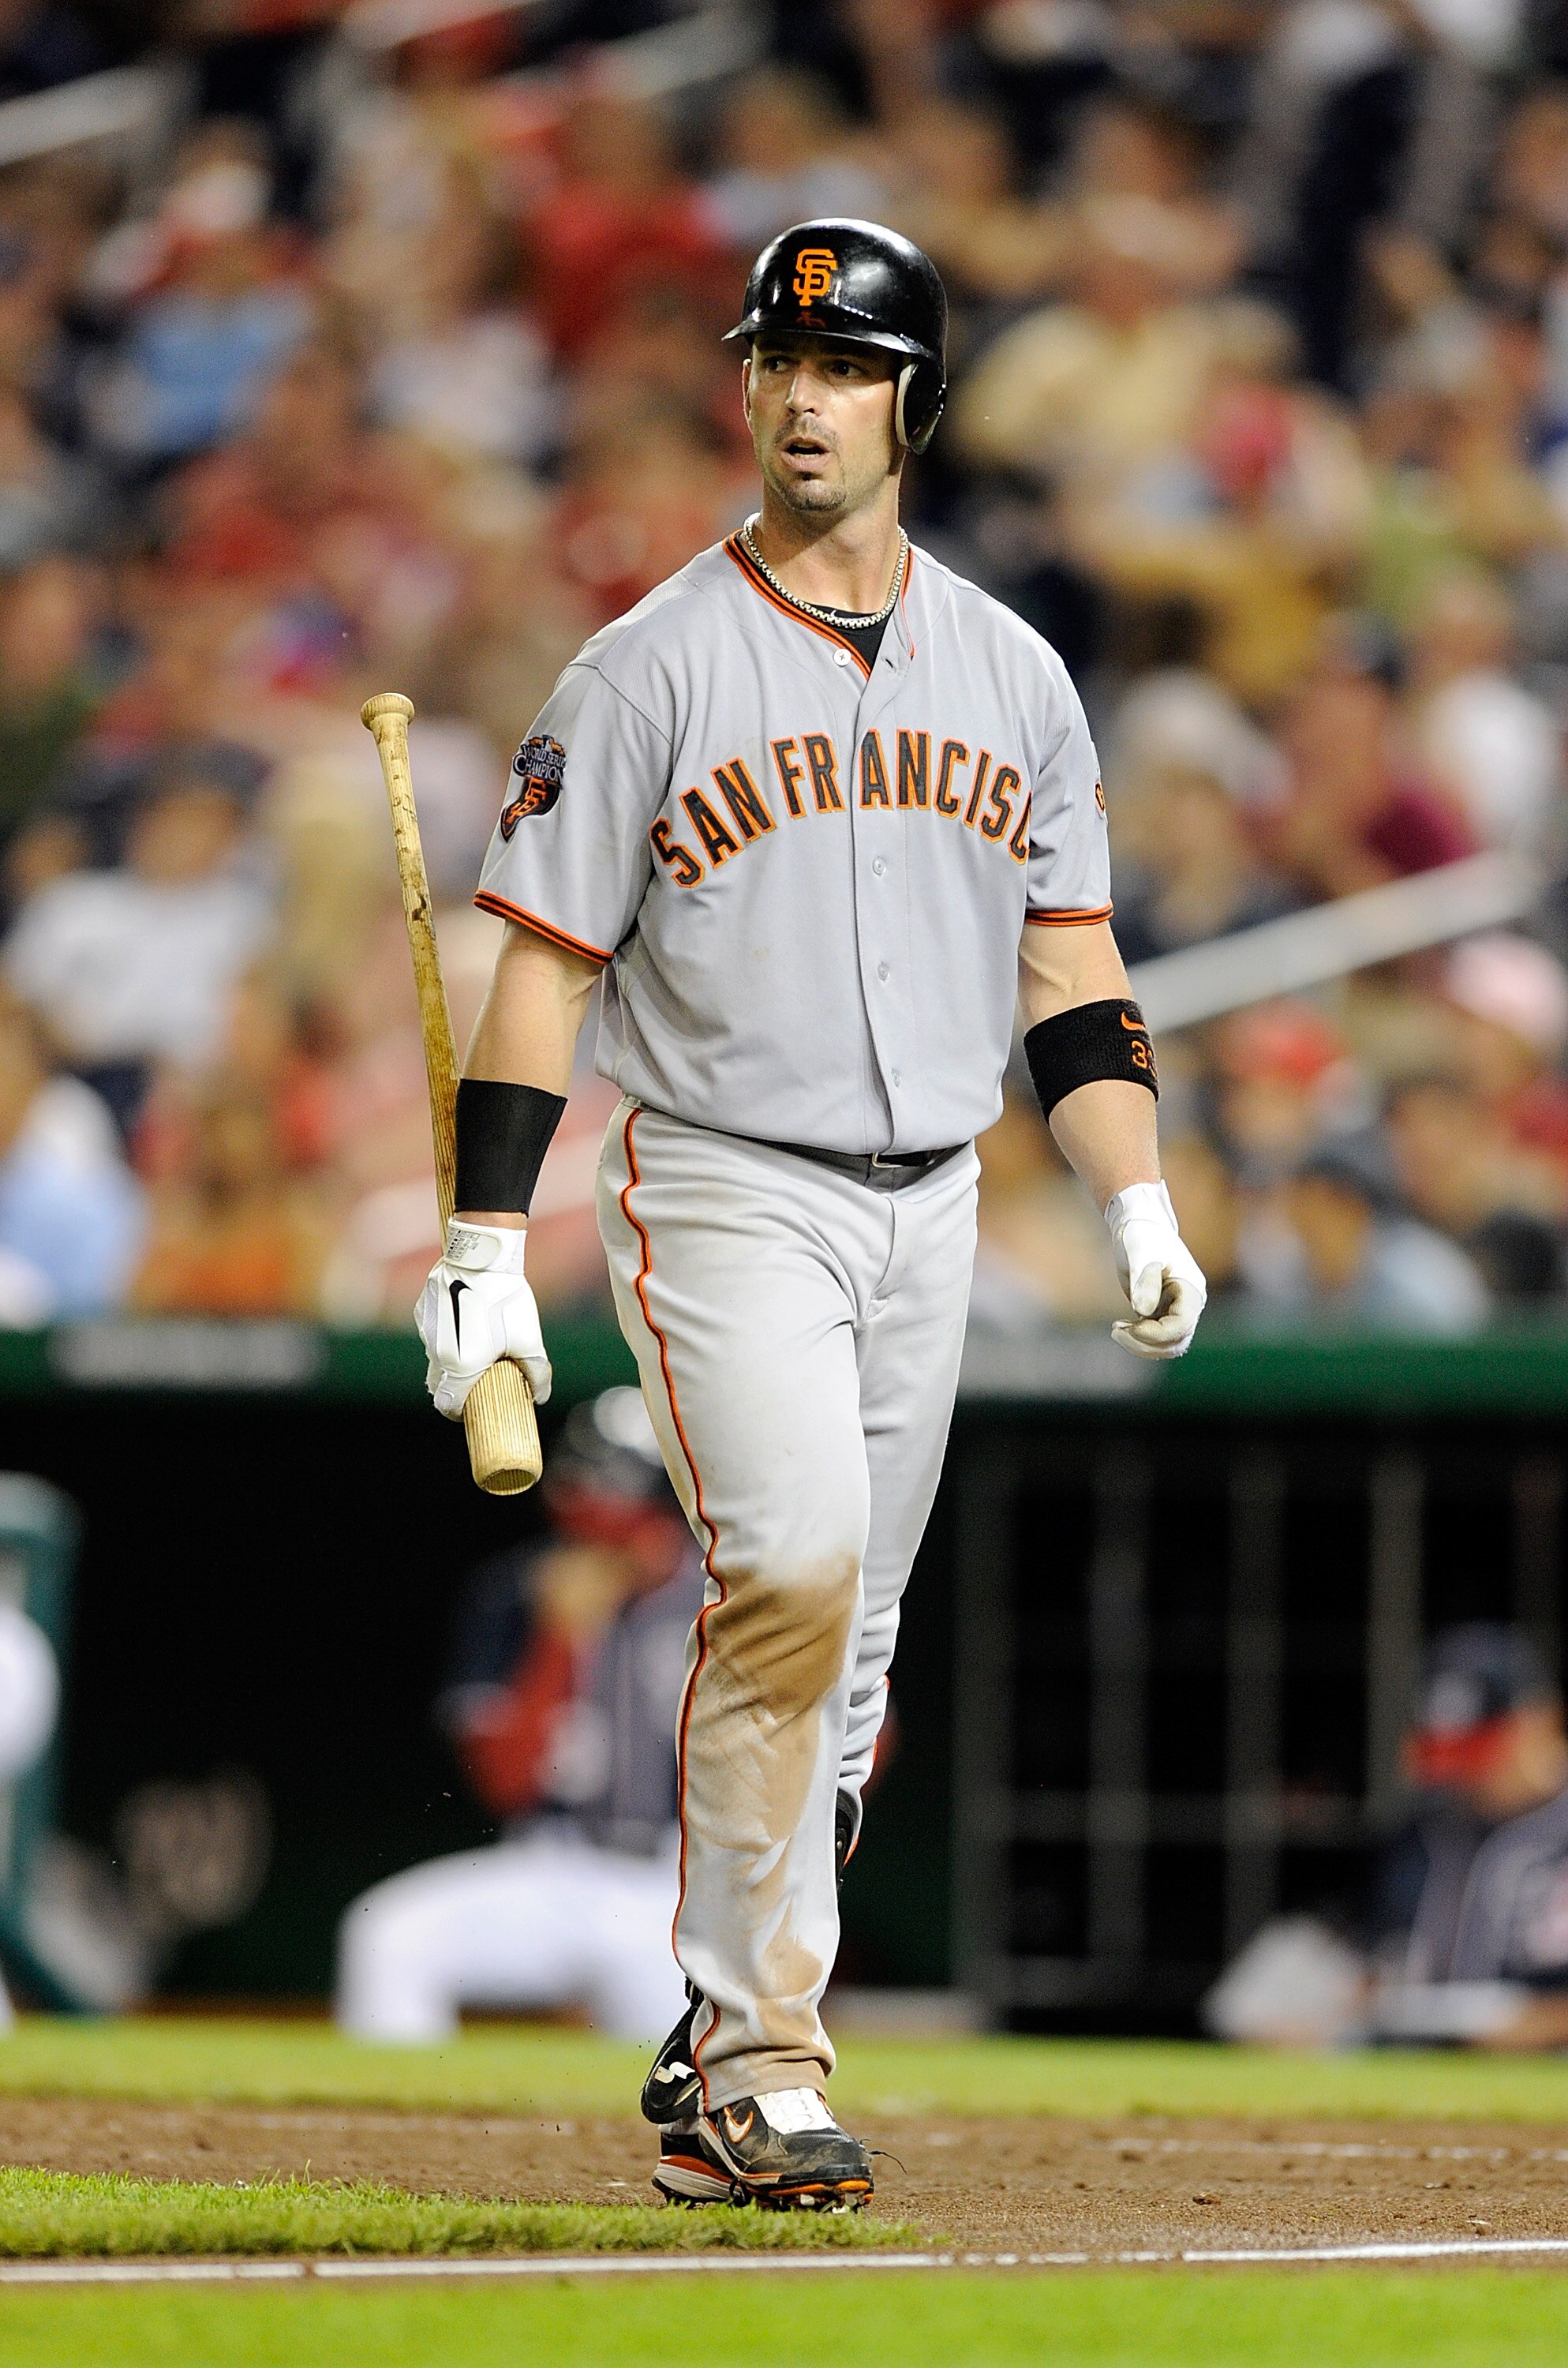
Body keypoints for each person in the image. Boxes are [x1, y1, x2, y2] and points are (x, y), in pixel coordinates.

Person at [414, 219, 1207, 2209]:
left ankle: (715, 2040)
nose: (803, 396)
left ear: (913, 404)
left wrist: (1133, 1194)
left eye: (848, 365)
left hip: (932, 1198)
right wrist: (484, 1245)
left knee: (851, 1659)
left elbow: (1070, 968)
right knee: (786, 1567)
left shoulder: (1013, 671)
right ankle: (759, 2051)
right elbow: (543, 969)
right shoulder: (647, 663)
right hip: (723, 1180)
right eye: (778, 359)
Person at [336, 1388, 702, 2044]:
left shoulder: (719, 1602)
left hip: (679, 1886)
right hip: (552, 1868)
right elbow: (503, 1783)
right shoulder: (515, 1593)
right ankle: (405, 2113)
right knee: (391, 1938)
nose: (583, 1510)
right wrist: (561, 1637)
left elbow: (857, 1741)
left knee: (679, 2072)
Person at [1207, 1626, 1568, 2051]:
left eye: (1483, 1752)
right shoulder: (1423, 1833)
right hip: (1423, 2048)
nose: (1468, 1777)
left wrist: (1546, 2022)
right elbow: (1369, 1950)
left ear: (1542, 1723)